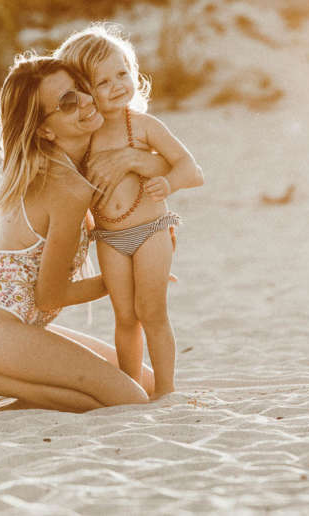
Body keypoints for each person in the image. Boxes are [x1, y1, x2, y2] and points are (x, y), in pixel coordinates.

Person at [0, 53, 171, 415]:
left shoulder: (76, 165)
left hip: (6, 321)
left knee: (144, 381)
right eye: (67, 102)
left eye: (80, 90)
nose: (84, 101)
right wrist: (120, 280)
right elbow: (49, 296)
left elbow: (170, 163)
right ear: (45, 130)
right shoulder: (65, 188)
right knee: (130, 399)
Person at [54, 24, 204, 399]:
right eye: (103, 82)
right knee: (124, 317)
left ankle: (166, 391)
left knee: (151, 311)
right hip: (109, 238)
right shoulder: (83, 139)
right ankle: (131, 388)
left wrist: (167, 183)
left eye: (123, 73)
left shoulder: (144, 127)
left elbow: (192, 170)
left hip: (152, 228)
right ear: (83, 92)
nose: (118, 84)